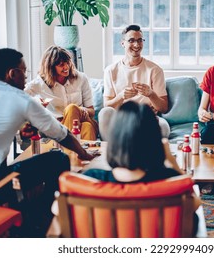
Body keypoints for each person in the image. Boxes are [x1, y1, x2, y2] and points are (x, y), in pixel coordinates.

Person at [0, 48, 98, 236]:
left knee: (9, 170)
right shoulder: (21, 99)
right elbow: (61, 134)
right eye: (24, 71)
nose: (25, 77)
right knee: (58, 159)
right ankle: (46, 220)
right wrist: (84, 153)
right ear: (12, 74)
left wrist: (20, 128)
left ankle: (28, 216)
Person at [85, 101, 201, 236]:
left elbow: (59, 215)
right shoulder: (169, 180)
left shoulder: (90, 180)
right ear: (155, 140)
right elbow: (195, 204)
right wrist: (171, 160)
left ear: (114, 139)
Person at [98, 24, 170, 140]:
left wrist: (151, 94)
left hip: (146, 118)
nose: (136, 45)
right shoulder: (111, 71)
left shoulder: (155, 70)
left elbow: (164, 108)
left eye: (139, 40)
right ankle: (113, 153)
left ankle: (144, 155)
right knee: (104, 113)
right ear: (123, 43)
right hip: (120, 119)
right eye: (131, 40)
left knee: (164, 128)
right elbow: (107, 105)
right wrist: (121, 96)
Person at [25, 45, 98, 140]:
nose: (66, 67)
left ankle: (66, 150)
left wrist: (81, 110)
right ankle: (81, 153)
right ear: (50, 67)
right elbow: (20, 96)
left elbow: (91, 111)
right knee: (87, 128)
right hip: (58, 126)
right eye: (61, 65)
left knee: (72, 108)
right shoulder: (41, 83)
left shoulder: (81, 78)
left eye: (68, 62)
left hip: (83, 119)